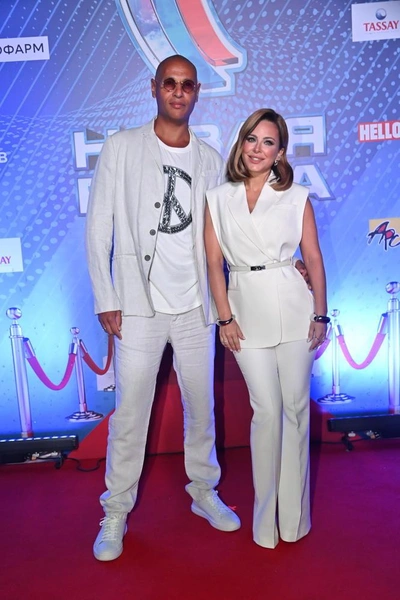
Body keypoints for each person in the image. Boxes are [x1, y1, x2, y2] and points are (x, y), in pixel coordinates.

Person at [85, 55, 241, 562]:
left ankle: (203, 491)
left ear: (197, 92)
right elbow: (98, 227)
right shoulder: (121, 147)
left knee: (202, 410)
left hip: (195, 306)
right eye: (169, 83)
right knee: (131, 413)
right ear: (153, 88)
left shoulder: (211, 159)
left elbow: (225, 236)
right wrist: (107, 298)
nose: (178, 92)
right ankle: (115, 510)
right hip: (138, 306)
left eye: (187, 85)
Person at [204, 108, 328, 549]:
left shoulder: (297, 197)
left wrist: (320, 314)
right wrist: (224, 317)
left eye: (268, 142)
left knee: (295, 410)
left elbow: (313, 258)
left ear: (280, 152)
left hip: (295, 310)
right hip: (244, 314)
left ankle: (294, 521)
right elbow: (214, 264)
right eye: (252, 139)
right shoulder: (217, 198)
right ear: (241, 144)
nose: (258, 149)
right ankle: (264, 523)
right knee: (266, 411)